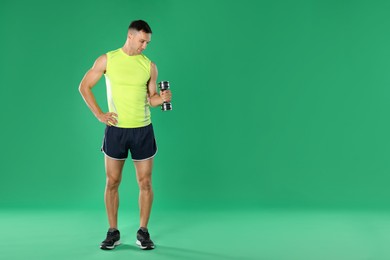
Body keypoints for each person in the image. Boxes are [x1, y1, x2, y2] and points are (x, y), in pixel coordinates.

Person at [78, 20, 171, 250]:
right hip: (116, 131)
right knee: (112, 182)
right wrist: (100, 114)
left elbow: (152, 99)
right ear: (130, 36)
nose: (144, 46)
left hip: (143, 130)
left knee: (145, 182)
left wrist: (163, 99)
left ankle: (143, 232)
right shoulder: (107, 59)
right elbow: (84, 86)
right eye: (142, 41)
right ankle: (113, 232)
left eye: (147, 42)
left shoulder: (149, 66)